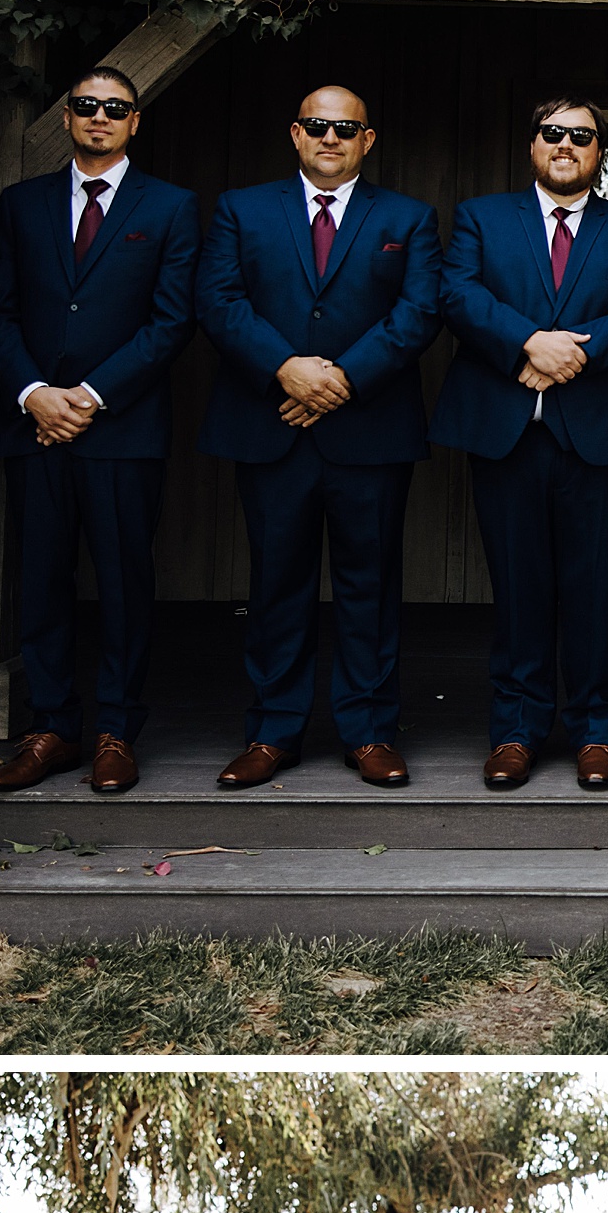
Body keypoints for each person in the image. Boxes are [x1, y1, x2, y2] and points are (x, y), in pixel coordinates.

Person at [197, 82, 442, 789]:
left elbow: (418, 311)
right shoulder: (242, 210)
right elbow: (218, 301)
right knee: (277, 586)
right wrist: (286, 369)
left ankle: (368, 732)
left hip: (369, 430)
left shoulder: (409, 217)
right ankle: (273, 732)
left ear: (368, 140)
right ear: (295, 134)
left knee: (370, 588)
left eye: (345, 127)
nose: (330, 136)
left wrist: (339, 380)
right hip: (271, 425)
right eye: (316, 125)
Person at [433, 92, 608, 789]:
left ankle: (598, 729)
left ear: (600, 150)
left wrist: (578, 352)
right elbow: (458, 296)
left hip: (600, 434)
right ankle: (516, 729)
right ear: (532, 143)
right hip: (508, 432)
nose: (566, 144)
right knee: (518, 589)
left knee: (597, 590)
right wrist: (528, 342)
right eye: (552, 132)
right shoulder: (482, 217)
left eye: (582, 135)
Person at [0, 65, 200, 799]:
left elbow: (170, 323)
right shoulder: (22, 204)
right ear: (69, 117)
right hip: (34, 426)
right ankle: (52, 727)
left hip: (121, 428)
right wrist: (36, 394)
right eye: (86, 106)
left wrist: (89, 397)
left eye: (115, 108)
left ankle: (116, 730)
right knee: (40, 579)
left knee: (123, 583)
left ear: (135, 122)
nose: (99, 116)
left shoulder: (169, 207)